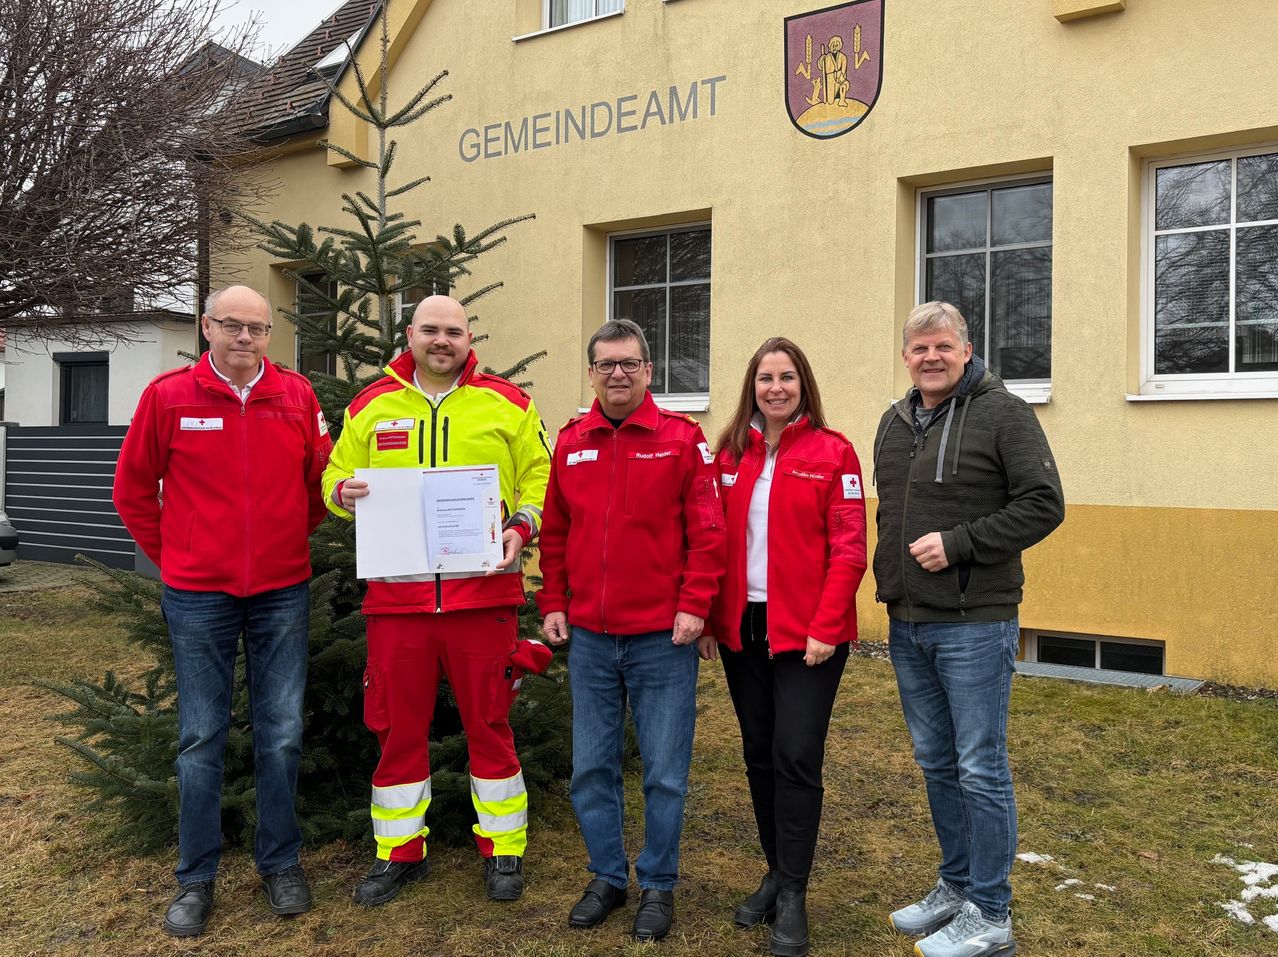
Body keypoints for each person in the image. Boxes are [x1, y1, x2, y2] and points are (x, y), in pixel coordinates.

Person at [113, 285, 332, 937]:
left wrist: (292, 536)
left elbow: (321, 485)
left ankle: (280, 862)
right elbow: (132, 490)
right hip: (197, 594)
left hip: (281, 589)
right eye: (232, 325)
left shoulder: (297, 397)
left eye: (258, 328)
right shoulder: (168, 396)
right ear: (206, 327)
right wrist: (178, 556)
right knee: (201, 737)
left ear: (270, 335)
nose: (245, 337)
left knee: (283, 730)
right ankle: (195, 879)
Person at [322, 295, 551, 905]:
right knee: (397, 729)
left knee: (491, 723)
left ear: (469, 336)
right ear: (410, 334)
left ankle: (503, 852)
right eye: (431, 330)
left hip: (484, 599)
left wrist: (521, 526)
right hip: (398, 604)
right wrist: (341, 491)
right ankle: (399, 853)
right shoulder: (370, 406)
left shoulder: (510, 403)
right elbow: (331, 475)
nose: (442, 340)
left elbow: (541, 476)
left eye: (453, 330)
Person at [874, 301, 1064, 957]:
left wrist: (959, 544)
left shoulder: (1004, 412)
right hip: (909, 621)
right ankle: (955, 886)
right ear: (906, 356)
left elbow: (1044, 503)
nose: (930, 357)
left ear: (966, 348)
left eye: (942, 346)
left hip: (975, 622)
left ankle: (991, 912)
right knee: (936, 761)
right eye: (919, 347)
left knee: (980, 766)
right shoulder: (894, 422)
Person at [538, 319, 726, 942]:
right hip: (589, 636)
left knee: (664, 772)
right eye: (605, 364)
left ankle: (660, 886)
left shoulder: (681, 440)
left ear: (648, 370)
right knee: (591, 768)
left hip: (661, 639)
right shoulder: (572, 441)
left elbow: (707, 532)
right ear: (591, 372)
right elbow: (558, 533)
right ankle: (608, 877)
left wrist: (695, 604)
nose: (617, 373)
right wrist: (553, 601)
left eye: (629, 363)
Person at [705, 337, 867, 957]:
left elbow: (848, 547)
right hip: (743, 629)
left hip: (808, 636)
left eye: (788, 378)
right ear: (753, 386)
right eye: (766, 378)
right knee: (758, 752)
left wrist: (827, 626)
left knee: (796, 753)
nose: (776, 388)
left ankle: (794, 893)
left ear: (804, 386)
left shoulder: (834, 453)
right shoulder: (728, 454)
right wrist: (714, 622)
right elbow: (711, 538)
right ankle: (774, 871)